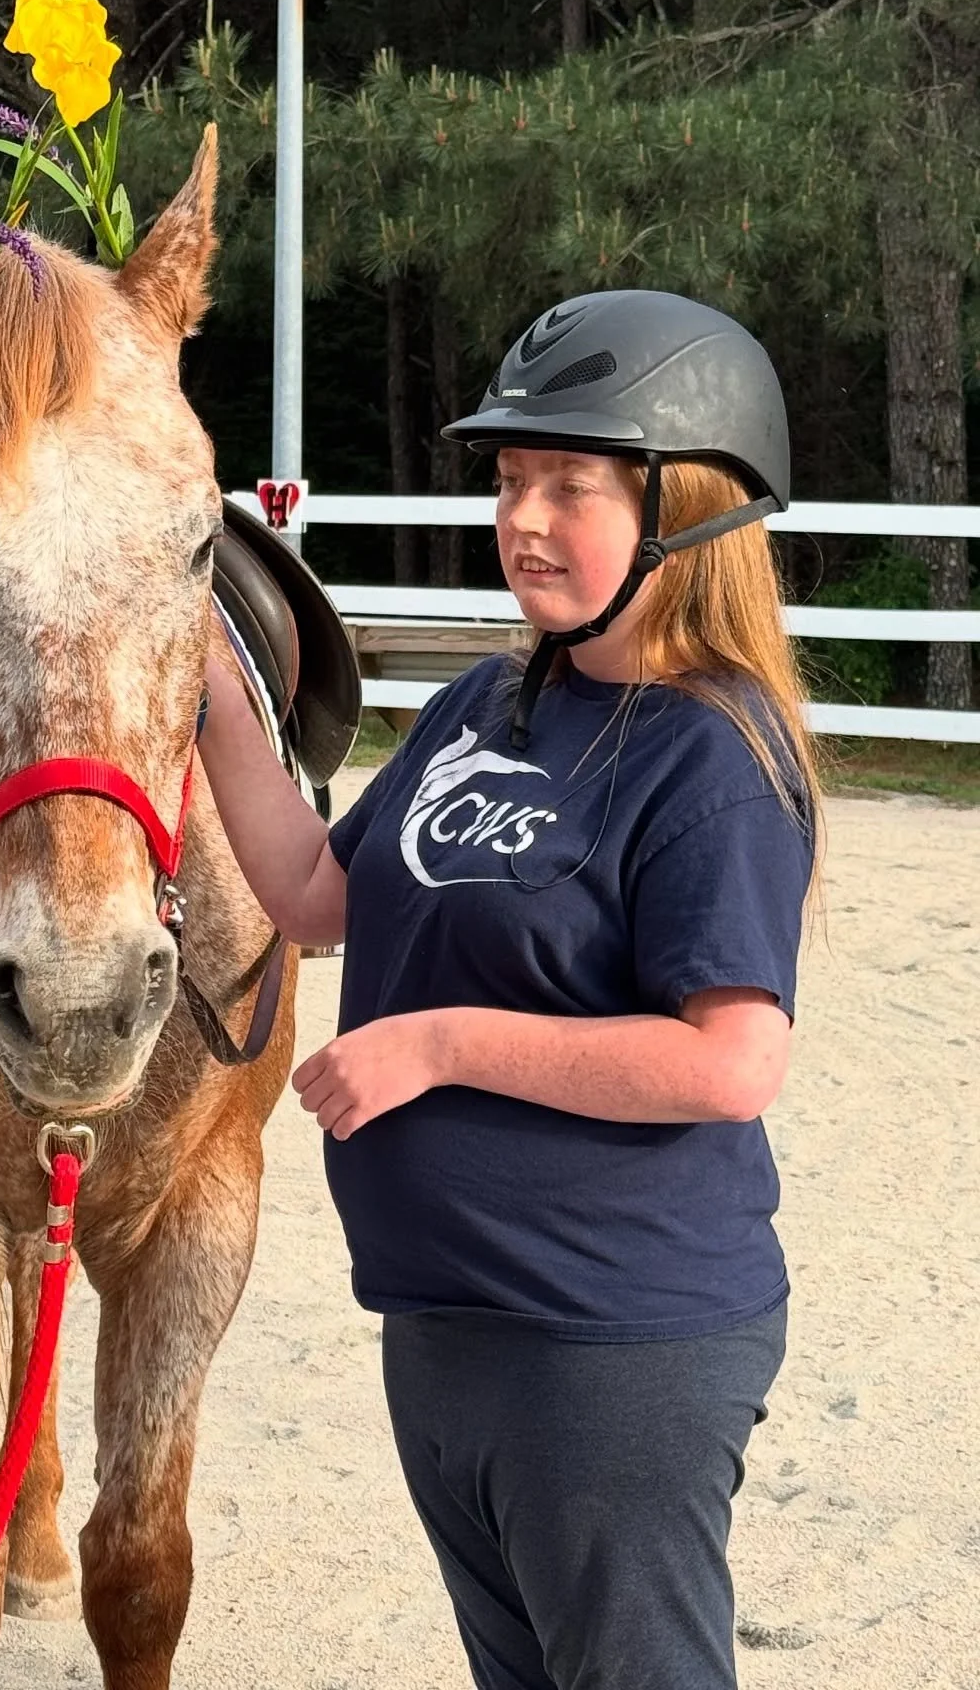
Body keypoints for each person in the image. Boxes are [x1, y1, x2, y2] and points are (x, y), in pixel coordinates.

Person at [197, 288, 821, 1690]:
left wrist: (440, 1045)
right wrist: (202, 690)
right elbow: (313, 897)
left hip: (610, 1339)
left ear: (691, 509)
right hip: (450, 1327)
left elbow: (732, 1062)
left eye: (569, 486)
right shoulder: (490, 706)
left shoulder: (711, 764)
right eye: (508, 481)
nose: (523, 518)